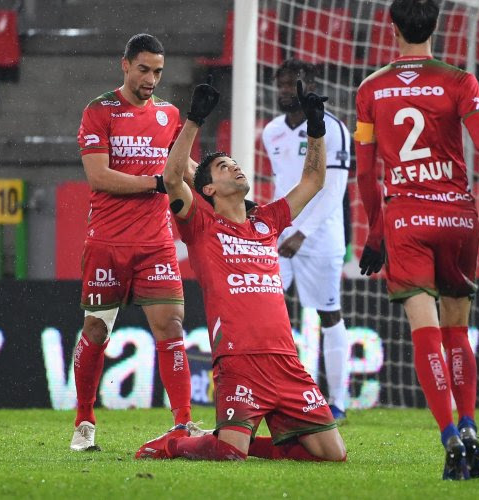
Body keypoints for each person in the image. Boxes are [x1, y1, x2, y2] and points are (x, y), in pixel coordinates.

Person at [134, 79, 347, 462]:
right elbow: (172, 177)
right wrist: (195, 120)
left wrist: (317, 128)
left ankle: (251, 445)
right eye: (222, 166)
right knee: (229, 454)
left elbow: (314, 181)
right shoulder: (200, 224)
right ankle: (173, 444)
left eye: (234, 162)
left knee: (332, 455)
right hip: (239, 361)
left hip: (286, 360)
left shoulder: (267, 220)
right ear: (210, 191)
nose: (234, 166)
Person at [354, 0, 479, 480]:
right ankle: (469, 426)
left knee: (424, 331)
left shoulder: (371, 89)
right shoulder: (460, 79)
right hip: (457, 217)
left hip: (406, 217)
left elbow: (366, 172)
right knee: (457, 330)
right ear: (437, 24)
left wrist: (375, 229)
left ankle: (449, 437)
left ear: (391, 26)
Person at [71, 33, 198, 451]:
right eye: (144, 69)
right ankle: (85, 420)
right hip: (107, 241)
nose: (151, 79)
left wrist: (226, 192)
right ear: (124, 65)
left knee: (172, 327)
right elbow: (98, 176)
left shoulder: (169, 114)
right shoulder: (99, 111)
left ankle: (183, 422)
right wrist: (158, 182)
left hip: (156, 242)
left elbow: (184, 166)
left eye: (158, 71)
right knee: (96, 329)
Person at [262, 59, 352, 420]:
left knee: (329, 314)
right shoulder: (271, 132)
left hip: (320, 237)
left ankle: (339, 402)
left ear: (309, 84)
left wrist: (302, 232)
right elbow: (280, 185)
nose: (285, 90)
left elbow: (334, 191)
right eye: (280, 84)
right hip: (280, 236)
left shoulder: (333, 129)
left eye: (291, 84)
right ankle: (277, 391)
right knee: (268, 311)